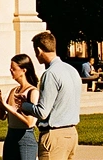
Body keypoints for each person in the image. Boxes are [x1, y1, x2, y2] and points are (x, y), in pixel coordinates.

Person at [20, 31, 81, 160]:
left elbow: (42, 112)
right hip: (72, 134)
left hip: (54, 135)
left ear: (39, 50)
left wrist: (24, 105)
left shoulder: (50, 74)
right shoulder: (72, 70)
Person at [0, 54, 39, 160]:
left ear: (24, 70)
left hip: (25, 138)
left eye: (13, 68)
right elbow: (0, 116)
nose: (11, 71)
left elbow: (30, 122)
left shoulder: (32, 91)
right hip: (11, 136)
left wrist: (6, 106)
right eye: (10, 68)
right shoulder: (13, 90)